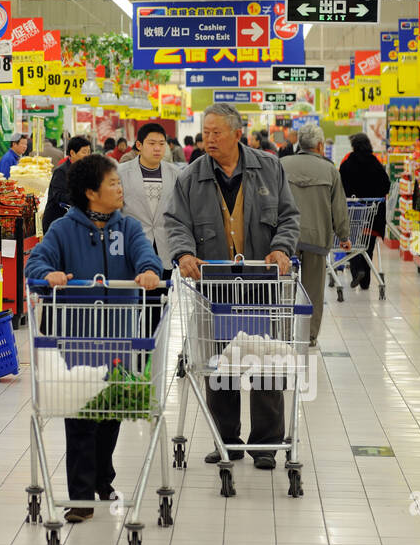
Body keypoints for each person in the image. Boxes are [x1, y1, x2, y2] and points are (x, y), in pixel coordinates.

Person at [25, 154, 161, 522]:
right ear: (90, 192)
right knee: (81, 416)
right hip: (78, 344)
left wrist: (148, 272)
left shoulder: (128, 229)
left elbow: (146, 257)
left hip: (118, 341)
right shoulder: (63, 230)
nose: (120, 189)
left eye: (119, 183)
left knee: (111, 413)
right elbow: (35, 263)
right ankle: (81, 496)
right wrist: (48, 274)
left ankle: (104, 478)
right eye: (113, 183)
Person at [163, 103, 300, 470]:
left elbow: (289, 216)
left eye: (216, 132)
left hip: (260, 284)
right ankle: (226, 441)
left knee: (264, 362)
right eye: (205, 132)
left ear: (237, 134)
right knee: (218, 364)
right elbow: (176, 222)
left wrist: (281, 247)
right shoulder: (190, 177)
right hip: (215, 287)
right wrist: (184, 253)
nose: (209, 138)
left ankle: (267, 444)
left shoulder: (269, 168)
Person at [281, 125, 350, 347]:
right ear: (320, 145)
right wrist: (344, 235)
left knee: (283, 287)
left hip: (285, 238)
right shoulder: (330, 171)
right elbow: (339, 207)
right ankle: (309, 335)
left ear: (299, 143)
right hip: (317, 239)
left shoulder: (282, 165)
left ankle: (282, 331)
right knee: (313, 290)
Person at [118, 123, 181, 275]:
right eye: (152, 143)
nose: (157, 148)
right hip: (133, 243)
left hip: (164, 246)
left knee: (162, 295)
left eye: (161, 144)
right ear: (139, 145)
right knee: (135, 294)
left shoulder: (175, 174)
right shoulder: (121, 172)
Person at [338, 132, 391, 290]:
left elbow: (340, 185)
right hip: (373, 216)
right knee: (368, 247)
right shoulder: (375, 162)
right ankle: (366, 281)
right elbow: (386, 184)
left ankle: (357, 271)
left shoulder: (348, 162)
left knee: (352, 245)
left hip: (353, 212)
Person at [41, 135, 92, 233]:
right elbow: (59, 196)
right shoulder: (61, 171)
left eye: (89, 152)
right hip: (57, 222)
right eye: (84, 152)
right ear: (72, 153)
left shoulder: (85, 171)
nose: (88, 155)